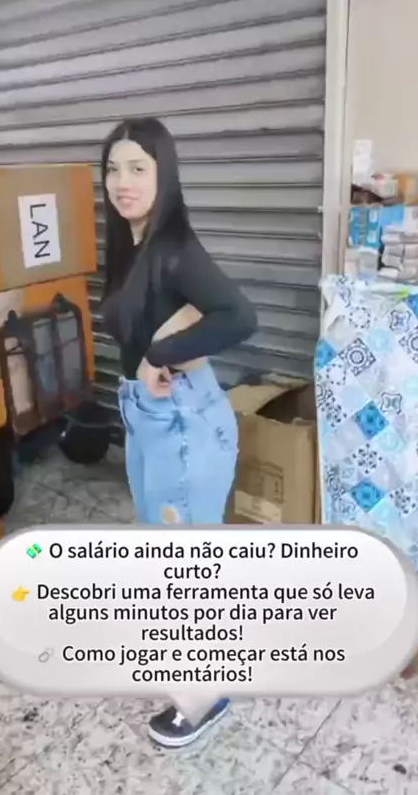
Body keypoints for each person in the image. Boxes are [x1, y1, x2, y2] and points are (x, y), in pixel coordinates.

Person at [101, 117, 257, 748]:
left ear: (164, 173)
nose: (122, 181)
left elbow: (239, 316)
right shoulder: (133, 244)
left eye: (138, 168)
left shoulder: (172, 248)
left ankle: (204, 700)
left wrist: (160, 353)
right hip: (149, 414)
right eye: (112, 168)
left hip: (184, 418)